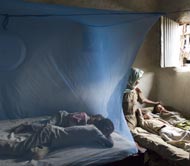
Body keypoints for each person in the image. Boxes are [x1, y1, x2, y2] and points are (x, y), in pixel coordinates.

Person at [0, 111, 114, 160]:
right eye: (106, 132)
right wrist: (108, 135)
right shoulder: (92, 129)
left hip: (53, 139)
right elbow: (110, 144)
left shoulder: (93, 132)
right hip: (52, 130)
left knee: (36, 154)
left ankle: (33, 145)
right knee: (17, 149)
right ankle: (27, 126)